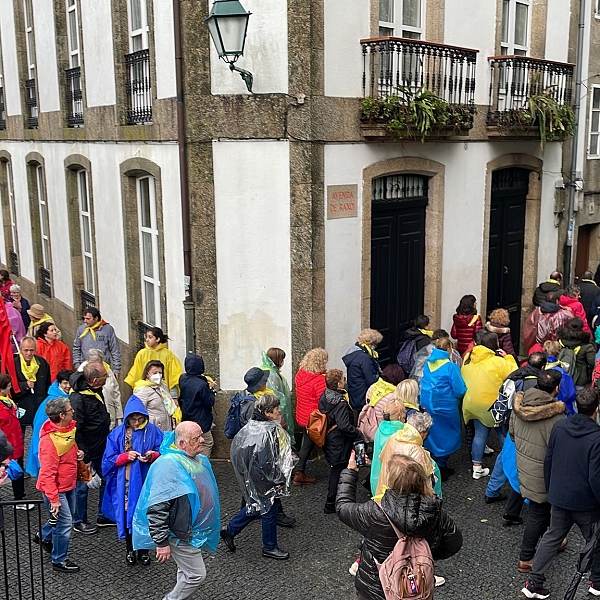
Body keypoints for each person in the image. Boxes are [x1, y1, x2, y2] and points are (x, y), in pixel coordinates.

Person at [337, 453, 463, 600]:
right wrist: (427, 553)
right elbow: (454, 542)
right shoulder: (435, 512)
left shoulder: (374, 512)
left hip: (375, 588)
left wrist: (350, 472)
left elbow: (342, 506)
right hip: (416, 587)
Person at [522, 388, 600, 599]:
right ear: (596, 409)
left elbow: (549, 460)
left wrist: (551, 488)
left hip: (559, 495)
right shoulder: (596, 437)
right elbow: (595, 476)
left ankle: (533, 582)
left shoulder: (560, 427)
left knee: (552, 537)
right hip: (586, 502)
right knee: (595, 540)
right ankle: (597, 581)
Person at [133, 422, 220, 600]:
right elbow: (157, 508)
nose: (203, 440)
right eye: (197, 438)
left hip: (188, 528)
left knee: (185, 570)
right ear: (182, 444)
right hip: (179, 532)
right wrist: (162, 542)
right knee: (196, 574)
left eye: (201, 435)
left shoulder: (195, 458)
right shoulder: (168, 466)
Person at [221, 394, 295, 559]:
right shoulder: (268, 431)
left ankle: (230, 530)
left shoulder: (252, 425)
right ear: (268, 413)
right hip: (262, 476)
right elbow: (266, 461)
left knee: (257, 504)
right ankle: (269, 546)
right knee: (269, 508)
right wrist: (278, 479)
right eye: (276, 409)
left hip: (252, 472)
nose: (279, 411)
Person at [510, 370, 565, 575]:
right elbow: (560, 448)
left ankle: (555, 540)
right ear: (556, 389)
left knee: (541, 509)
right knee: (538, 512)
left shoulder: (519, 406)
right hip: (544, 472)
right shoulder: (557, 416)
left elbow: (513, 435)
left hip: (525, 467)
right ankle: (526, 557)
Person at [102, 396, 163, 565]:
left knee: (144, 515)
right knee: (128, 516)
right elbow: (108, 459)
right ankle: (130, 549)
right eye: (133, 419)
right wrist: (124, 457)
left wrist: (153, 455)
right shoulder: (117, 434)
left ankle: (143, 550)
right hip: (126, 484)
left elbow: (163, 451)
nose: (136, 422)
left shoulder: (153, 431)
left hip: (146, 481)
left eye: (140, 419)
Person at [485, 352, 547, 505]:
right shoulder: (540, 383)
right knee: (523, 458)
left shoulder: (516, 375)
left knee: (505, 454)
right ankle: (524, 493)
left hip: (509, 420)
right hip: (527, 425)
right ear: (543, 366)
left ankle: (492, 489)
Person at [35, 397, 82, 572]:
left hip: (68, 484)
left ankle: (44, 536)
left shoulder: (66, 433)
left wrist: (78, 454)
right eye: (70, 410)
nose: (73, 412)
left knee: (61, 520)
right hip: (56, 490)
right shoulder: (49, 441)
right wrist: (54, 499)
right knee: (64, 524)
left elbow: (69, 449)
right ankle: (59, 560)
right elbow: (47, 474)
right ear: (62, 415)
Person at [461, 330, 517, 479]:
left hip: (472, 402)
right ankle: (510, 463)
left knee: (480, 434)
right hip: (494, 404)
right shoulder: (498, 361)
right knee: (503, 434)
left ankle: (476, 468)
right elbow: (514, 373)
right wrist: (509, 358)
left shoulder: (468, 357)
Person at [70, 363, 112, 534]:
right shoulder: (78, 398)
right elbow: (76, 430)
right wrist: (84, 456)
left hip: (101, 445)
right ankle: (79, 520)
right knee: (82, 486)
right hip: (87, 450)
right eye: (104, 376)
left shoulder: (94, 390)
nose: (107, 378)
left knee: (107, 479)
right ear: (95, 380)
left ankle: (103, 515)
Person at [420, 337, 467, 480]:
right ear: (449, 349)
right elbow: (459, 390)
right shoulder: (450, 367)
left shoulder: (429, 363)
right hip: (446, 407)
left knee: (433, 433)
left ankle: (433, 462)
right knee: (449, 435)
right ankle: (441, 465)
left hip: (428, 404)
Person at [319, 369, 363, 514]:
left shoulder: (325, 396)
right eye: (343, 379)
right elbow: (344, 426)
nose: (345, 381)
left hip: (330, 439)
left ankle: (335, 500)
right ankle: (331, 503)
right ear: (338, 384)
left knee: (336, 468)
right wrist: (357, 432)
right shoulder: (340, 403)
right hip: (339, 441)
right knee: (338, 470)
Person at [376, 413, 443, 498]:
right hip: (404, 495)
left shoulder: (393, 437)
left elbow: (382, 457)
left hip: (385, 486)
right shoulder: (417, 451)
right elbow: (422, 481)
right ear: (423, 433)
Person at [26, 369, 73, 478]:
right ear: (59, 383)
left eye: (69, 382)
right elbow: (39, 426)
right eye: (65, 383)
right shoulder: (52, 401)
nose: (68, 386)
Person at [293, 348, 328, 485]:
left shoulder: (301, 374)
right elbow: (324, 400)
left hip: (302, 415)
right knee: (308, 445)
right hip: (314, 419)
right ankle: (299, 472)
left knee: (306, 443)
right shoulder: (319, 380)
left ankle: (298, 471)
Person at [124, 327, 183, 399]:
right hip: (145, 391)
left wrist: (174, 396)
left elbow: (173, 376)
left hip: (163, 392)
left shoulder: (168, 355)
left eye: (150, 337)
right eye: (146, 337)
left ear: (157, 339)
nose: (147, 340)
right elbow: (136, 372)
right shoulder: (141, 354)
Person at [12, 336, 51, 437]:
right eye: (25, 350)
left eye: (31, 350)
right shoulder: (13, 364)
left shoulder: (42, 363)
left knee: (40, 435)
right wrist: (24, 385)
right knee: (19, 436)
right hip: (20, 405)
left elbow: (47, 384)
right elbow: (8, 385)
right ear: (20, 350)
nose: (29, 353)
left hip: (38, 405)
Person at [179, 354, 216, 457]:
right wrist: (211, 389)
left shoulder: (183, 378)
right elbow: (209, 401)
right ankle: (202, 466)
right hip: (200, 418)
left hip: (187, 416)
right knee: (207, 442)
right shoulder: (201, 384)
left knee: (189, 443)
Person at [0, 373, 28, 508]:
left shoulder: (7, 400)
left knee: (18, 470)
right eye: (9, 387)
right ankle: (19, 499)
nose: (10, 389)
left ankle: (19, 498)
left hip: (15, 443)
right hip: (6, 446)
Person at [79, 348, 123, 430]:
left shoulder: (108, 371)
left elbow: (116, 394)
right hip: (92, 422)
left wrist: (119, 417)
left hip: (110, 414)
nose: (96, 367)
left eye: (98, 363)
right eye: (93, 363)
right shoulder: (82, 373)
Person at [370, 400, 407, 494]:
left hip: (377, 474)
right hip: (391, 477)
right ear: (400, 416)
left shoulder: (381, 428)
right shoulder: (400, 433)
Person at [72, 308, 122, 377]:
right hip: (85, 368)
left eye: (88, 319)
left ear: (96, 318)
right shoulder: (81, 329)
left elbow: (115, 349)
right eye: (84, 318)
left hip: (102, 368)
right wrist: (77, 364)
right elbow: (77, 347)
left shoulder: (108, 329)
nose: (85, 321)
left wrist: (117, 369)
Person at [343, 329, 383, 411]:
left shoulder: (354, 352)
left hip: (355, 391)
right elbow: (371, 379)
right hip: (363, 394)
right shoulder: (364, 358)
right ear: (370, 343)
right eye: (375, 344)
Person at [132, 360, 178, 432]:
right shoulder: (142, 390)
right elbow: (138, 412)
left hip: (167, 427)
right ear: (147, 374)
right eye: (155, 373)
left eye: (160, 373)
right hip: (152, 430)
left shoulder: (163, 386)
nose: (158, 375)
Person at [261, 348, 293, 436]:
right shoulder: (272, 375)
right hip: (274, 413)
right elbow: (278, 396)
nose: (282, 362)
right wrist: (280, 414)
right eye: (282, 359)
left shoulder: (265, 370)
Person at [557, 317, 596, 390]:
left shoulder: (560, 340)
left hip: (563, 374)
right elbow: (592, 362)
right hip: (580, 379)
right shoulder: (587, 346)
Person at [543, 340, 577, 414]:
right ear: (558, 353)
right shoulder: (562, 372)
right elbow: (570, 395)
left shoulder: (539, 368)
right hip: (562, 409)